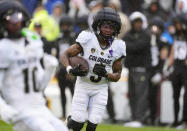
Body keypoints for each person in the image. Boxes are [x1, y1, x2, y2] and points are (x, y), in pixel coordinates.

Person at [0, 1, 68, 131]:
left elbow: (39, 86)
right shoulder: (3, 48)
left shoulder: (33, 41)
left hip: (38, 105)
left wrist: (49, 69)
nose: (16, 23)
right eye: (10, 20)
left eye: (18, 18)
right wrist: (2, 108)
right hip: (20, 108)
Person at [60, 7, 126, 131]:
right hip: (83, 85)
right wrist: (70, 70)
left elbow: (117, 75)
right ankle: (69, 122)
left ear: (116, 29)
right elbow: (65, 54)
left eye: (111, 27)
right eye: (105, 26)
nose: (108, 30)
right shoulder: (88, 38)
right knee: (77, 124)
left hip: (100, 88)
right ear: (98, 26)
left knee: (92, 126)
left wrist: (106, 74)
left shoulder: (118, 46)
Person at [123, 11, 151, 128]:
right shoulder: (128, 34)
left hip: (142, 69)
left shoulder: (146, 34)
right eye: (136, 22)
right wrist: (131, 46)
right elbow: (123, 45)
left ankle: (139, 119)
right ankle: (134, 118)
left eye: (140, 22)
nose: (138, 24)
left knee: (141, 95)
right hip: (131, 69)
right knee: (133, 94)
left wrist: (130, 46)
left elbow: (138, 46)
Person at [163, 13, 187, 129]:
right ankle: (176, 120)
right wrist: (168, 66)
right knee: (175, 95)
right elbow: (173, 51)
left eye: (178, 24)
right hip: (177, 66)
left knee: (186, 95)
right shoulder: (176, 36)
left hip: (185, 68)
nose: (176, 26)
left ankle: (184, 120)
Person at [57, 15, 76, 119]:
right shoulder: (58, 38)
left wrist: (71, 69)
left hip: (70, 69)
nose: (65, 28)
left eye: (67, 26)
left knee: (73, 93)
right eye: (63, 26)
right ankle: (64, 114)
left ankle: (75, 114)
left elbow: (75, 55)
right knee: (62, 93)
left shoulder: (73, 38)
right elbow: (56, 55)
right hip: (60, 69)